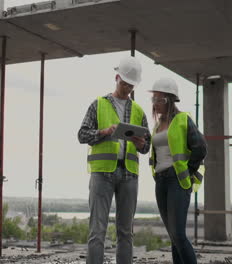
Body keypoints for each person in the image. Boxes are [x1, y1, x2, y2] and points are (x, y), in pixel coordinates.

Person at [77, 56, 151, 264]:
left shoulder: (138, 111)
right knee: (97, 230)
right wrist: (103, 132)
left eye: (131, 85)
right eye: (124, 83)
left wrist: (140, 144)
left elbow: (147, 146)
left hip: (129, 175)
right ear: (117, 77)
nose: (127, 88)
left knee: (126, 232)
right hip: (102, 173)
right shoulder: (98, 104)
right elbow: (82, 135)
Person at [148, 77, 207, 264]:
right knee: (173, 237)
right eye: (154, 99)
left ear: (170, 100)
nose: (155, 103)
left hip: (177, 180)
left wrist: (187, 171)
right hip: (161, 181)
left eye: (159, 99)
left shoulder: (183, 120)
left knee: (179, 235)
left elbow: (201, 147)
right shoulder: (157, 126)